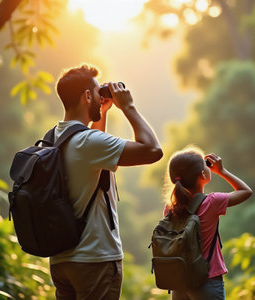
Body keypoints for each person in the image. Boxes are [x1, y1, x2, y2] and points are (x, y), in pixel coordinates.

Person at [49, 64, 163, 299]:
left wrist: (102, 113)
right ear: (87, 96)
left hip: (62, 260)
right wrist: (128, 107)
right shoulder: (87, 143)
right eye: (95, 92)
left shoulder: (54, 138)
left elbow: (98, 163)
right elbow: (153, 150)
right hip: (95, 259)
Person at [163, 146, 252, 300]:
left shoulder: (170, 209)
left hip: (179, 282)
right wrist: (222, 171)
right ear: (203, 174)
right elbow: (245, 191)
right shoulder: (212, 202)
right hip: (207, 281)